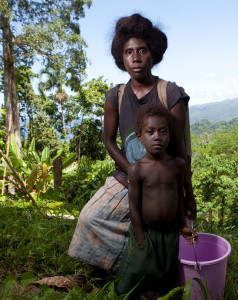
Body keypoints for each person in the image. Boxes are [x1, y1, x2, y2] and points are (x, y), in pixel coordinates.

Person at [68, 13, 197, 281]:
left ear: (153, 54)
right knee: (90, 218)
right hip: (126, 175)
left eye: (142, 51)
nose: (136, 57)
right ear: (121, 58)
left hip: (163, 178)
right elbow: (108, 139)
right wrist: (132, 171)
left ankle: (141, 270)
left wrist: (187, 193)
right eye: (129, 52)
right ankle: (105, 266)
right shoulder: (115, 96)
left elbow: (179, 147)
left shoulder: (169, 94)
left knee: (166, 228)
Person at [117, 103, 198, 298]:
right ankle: (129, 292)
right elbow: (134, 208)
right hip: (147, 229)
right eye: (150, 132)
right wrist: (141, 236)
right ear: (140, 137)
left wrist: (182, 226)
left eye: (163, 132)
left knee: (166, 265)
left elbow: (179, 198)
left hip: (170, 230)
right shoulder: (137, 170)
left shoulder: (177, 165)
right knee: (140, 264)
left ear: (169, 135)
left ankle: (159, 293)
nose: (157, 137)